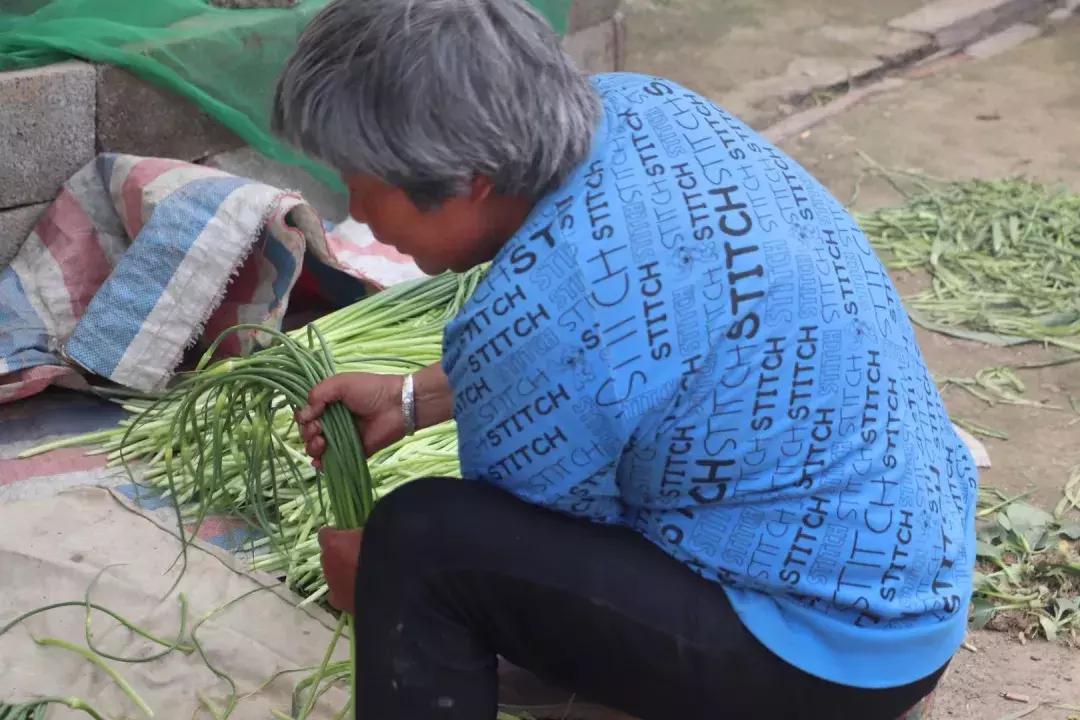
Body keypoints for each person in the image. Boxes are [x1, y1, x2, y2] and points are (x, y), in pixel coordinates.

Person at [275, 1, 978, 717]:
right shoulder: (636, 104)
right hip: (909, 576)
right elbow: (632, 348)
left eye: (362, 180)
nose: (355, 209)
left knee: (422, 547)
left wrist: (374, 579)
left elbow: (536, 533)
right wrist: (410, 399)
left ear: (472, 178)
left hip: (822, 659)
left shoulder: (537, 314)